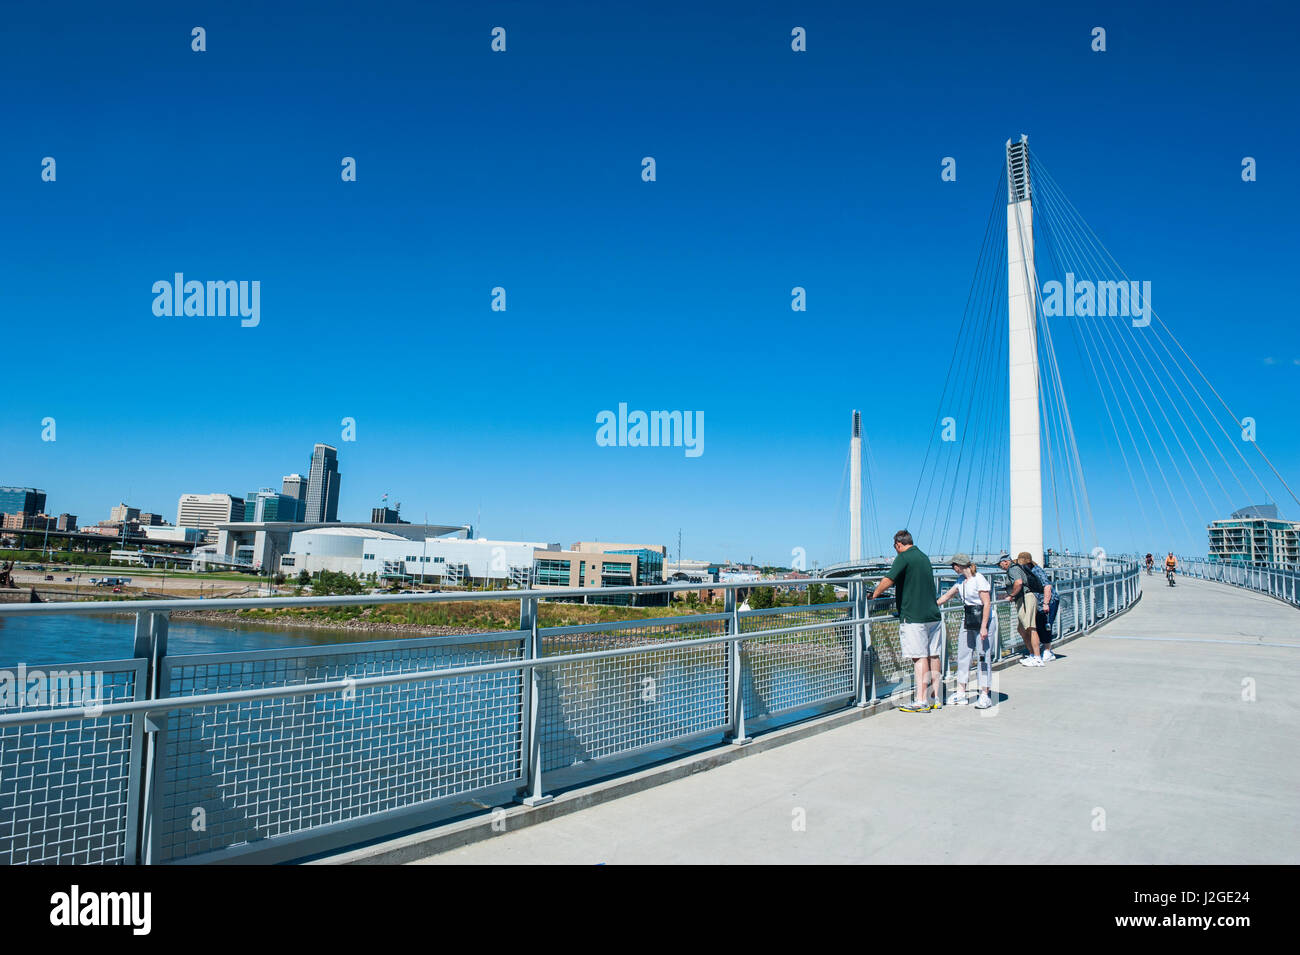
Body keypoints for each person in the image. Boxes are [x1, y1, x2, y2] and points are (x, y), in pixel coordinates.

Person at [873, 530, 943, 712]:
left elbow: (888, 579)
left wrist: (875, 594)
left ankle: (921, 700)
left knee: (919, 657)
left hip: (914, 615)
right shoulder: (923, 557)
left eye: (895, 548)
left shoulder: (904, 557)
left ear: (898, 544)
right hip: (933, 614)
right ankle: (936, 697)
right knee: (933, 655)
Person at [936, 554, 995, 709]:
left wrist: (984, 627)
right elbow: (947, 596)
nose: (952, 568)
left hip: (983, 619)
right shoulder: (961, 581)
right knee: (963, 654)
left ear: (958, 565)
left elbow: (987, 604)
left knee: (983, 656)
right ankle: (961, 692)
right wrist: (933, 606)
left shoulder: (979, 579)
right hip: (968, 618)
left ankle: (984, 694)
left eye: (953, 566)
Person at [999, 551, 1045, 666]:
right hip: (1022, 599)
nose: (999, 567)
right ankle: (1032, 654)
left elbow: (1018, 583)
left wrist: (1011, 595)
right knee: (1021, 629)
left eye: (999, 564)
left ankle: (1037, 658)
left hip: (1026, 598)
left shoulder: (1013, 569)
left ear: (1005, 562)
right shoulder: (1013, 568)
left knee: (1030, 627)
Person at [1027, 557, 1057, 662]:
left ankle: (1047, 651)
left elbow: (1047, 586)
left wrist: (1046, 603)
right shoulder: (1030, 571)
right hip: (1040, 603)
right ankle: (1044, 651)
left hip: (1048, 602)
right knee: (1040, 625)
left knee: (1046, 625)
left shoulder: (1037, 571)